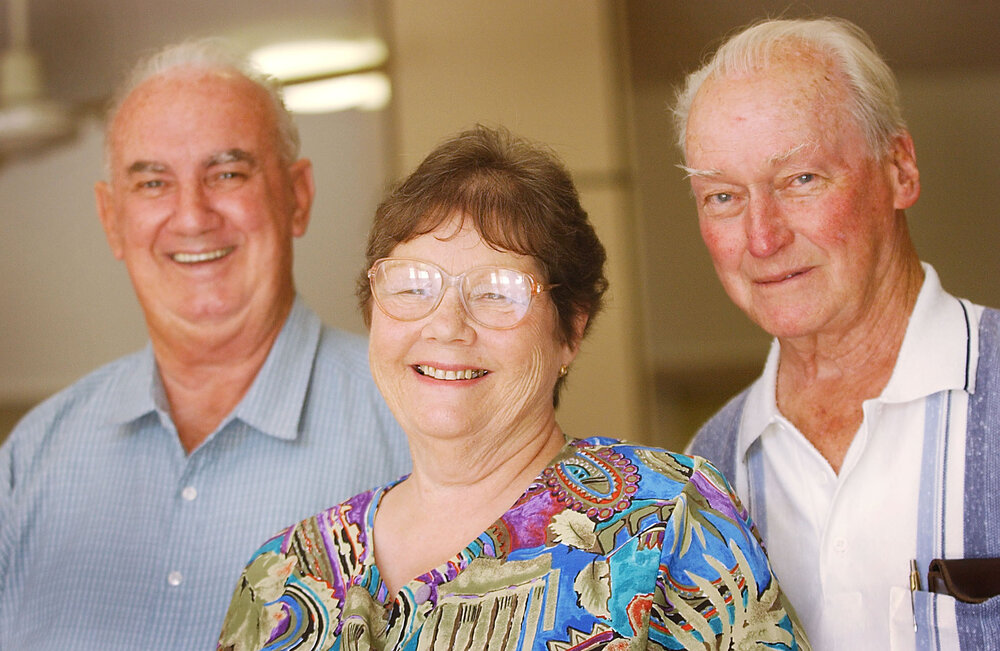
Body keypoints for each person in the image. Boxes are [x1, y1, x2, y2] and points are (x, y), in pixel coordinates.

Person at [216, 125, 808, 650]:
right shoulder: (281, 575)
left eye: (497, 291)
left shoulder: (665, 521)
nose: (446, 326)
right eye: (413, 286)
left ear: (570, 330)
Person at [0, 40, 410, 649]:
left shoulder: (416, 428)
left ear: (296, 196)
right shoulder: (33, 456)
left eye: (227, 174)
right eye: (153, 183)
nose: (192, 216)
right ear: (112, 219)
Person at [675, 16, 1000, 650]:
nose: (763, 238)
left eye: (801, 179)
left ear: (900, 169)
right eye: (722, 197)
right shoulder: (706, 473)